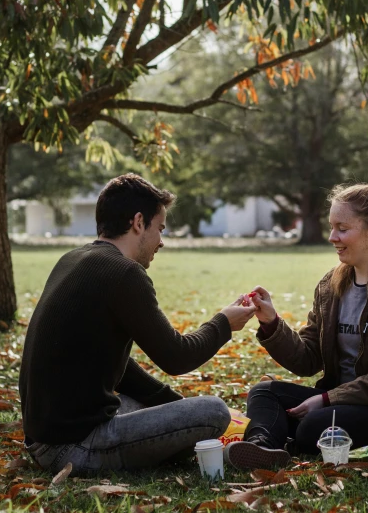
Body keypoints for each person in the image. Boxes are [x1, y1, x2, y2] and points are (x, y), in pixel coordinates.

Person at [19, 174, 256, 476]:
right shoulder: (124, 273)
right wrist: (224, 323)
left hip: (43, 438)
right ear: (138, 222)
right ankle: (217, 443)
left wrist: (177, 407)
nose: (161, 241)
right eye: (160, 229)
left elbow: (117, 367)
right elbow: (177, 356)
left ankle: (201, 436)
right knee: (213, 412)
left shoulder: (73, 259)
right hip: (74, 448)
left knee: (156, 406)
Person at [225, 183, 368, 471]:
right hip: (340, 400)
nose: (332, 237)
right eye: (331, 227)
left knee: (314, 425)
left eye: (342, 228)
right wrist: (271, 322)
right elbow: (308, 359)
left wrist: (326, 399)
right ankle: (263, 448)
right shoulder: (331, 284)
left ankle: (285, 436)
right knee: (264, 392)